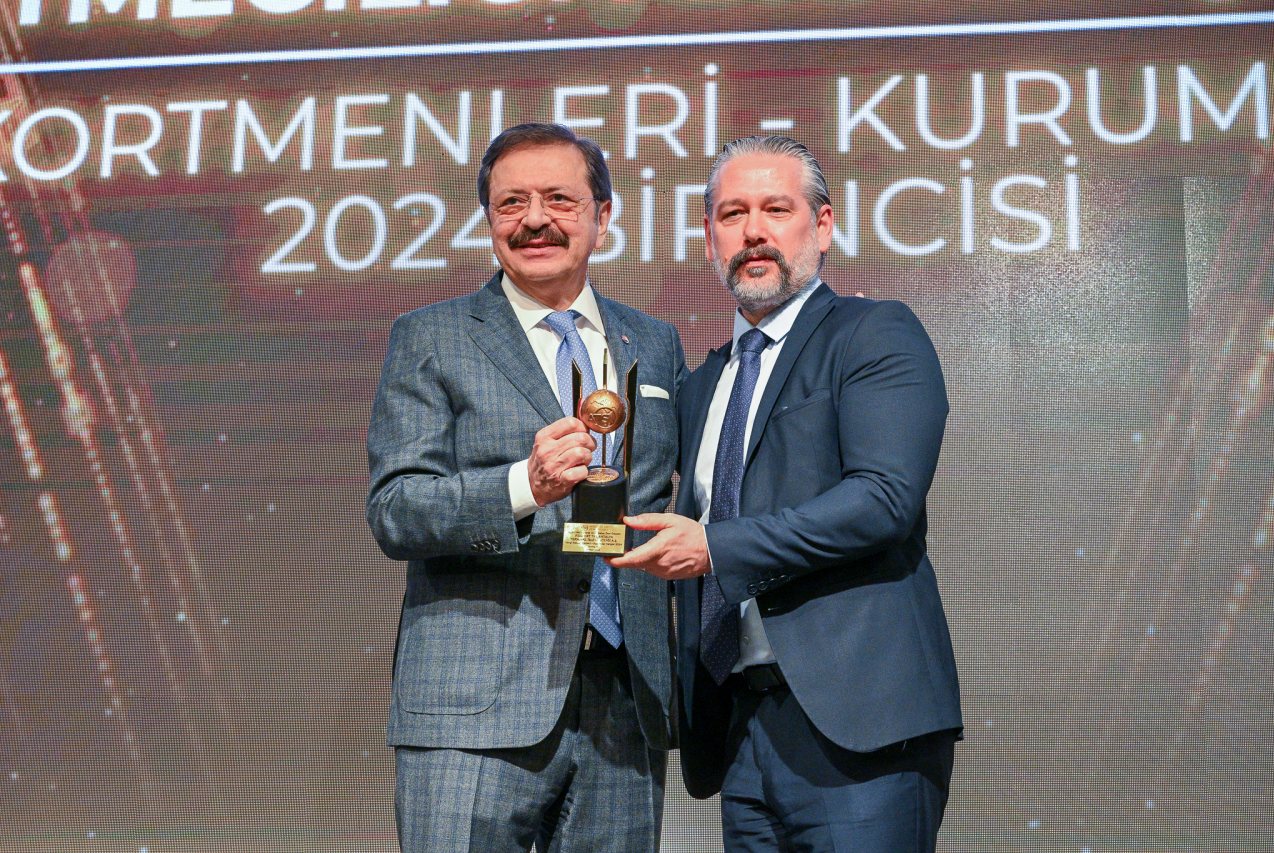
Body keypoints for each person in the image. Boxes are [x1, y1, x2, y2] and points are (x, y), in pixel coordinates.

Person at [610, 135, 963, 851]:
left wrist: (716, 547)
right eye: (732, 214)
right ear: (709, 235)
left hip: (860, 727)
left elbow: (883, 500)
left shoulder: (872, 333)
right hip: (740, 726)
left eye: (776, 209)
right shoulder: (702, 384)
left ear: (823, 225)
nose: (753, 231)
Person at [366, 122, 687, 852]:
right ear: (488, 220)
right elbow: (396, 509)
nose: (534, 219)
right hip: (471, 707)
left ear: (603, 215)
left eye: (559, 199)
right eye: (511, 202)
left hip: (624, 699)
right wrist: (522, 485)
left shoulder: (653, 341)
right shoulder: (433, 336)